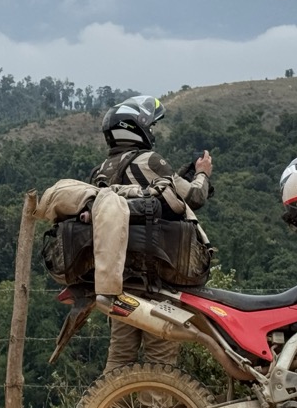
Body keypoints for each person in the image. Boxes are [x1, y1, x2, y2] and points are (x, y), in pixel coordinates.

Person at [90, 95, 213, 371]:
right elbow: (193, 197)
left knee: (120, 355)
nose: (152, 132)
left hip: (122, 278)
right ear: (136, 129)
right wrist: (203, 173)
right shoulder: (150, 160)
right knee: (161, 357)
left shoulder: (102, 170)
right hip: (159, 278)